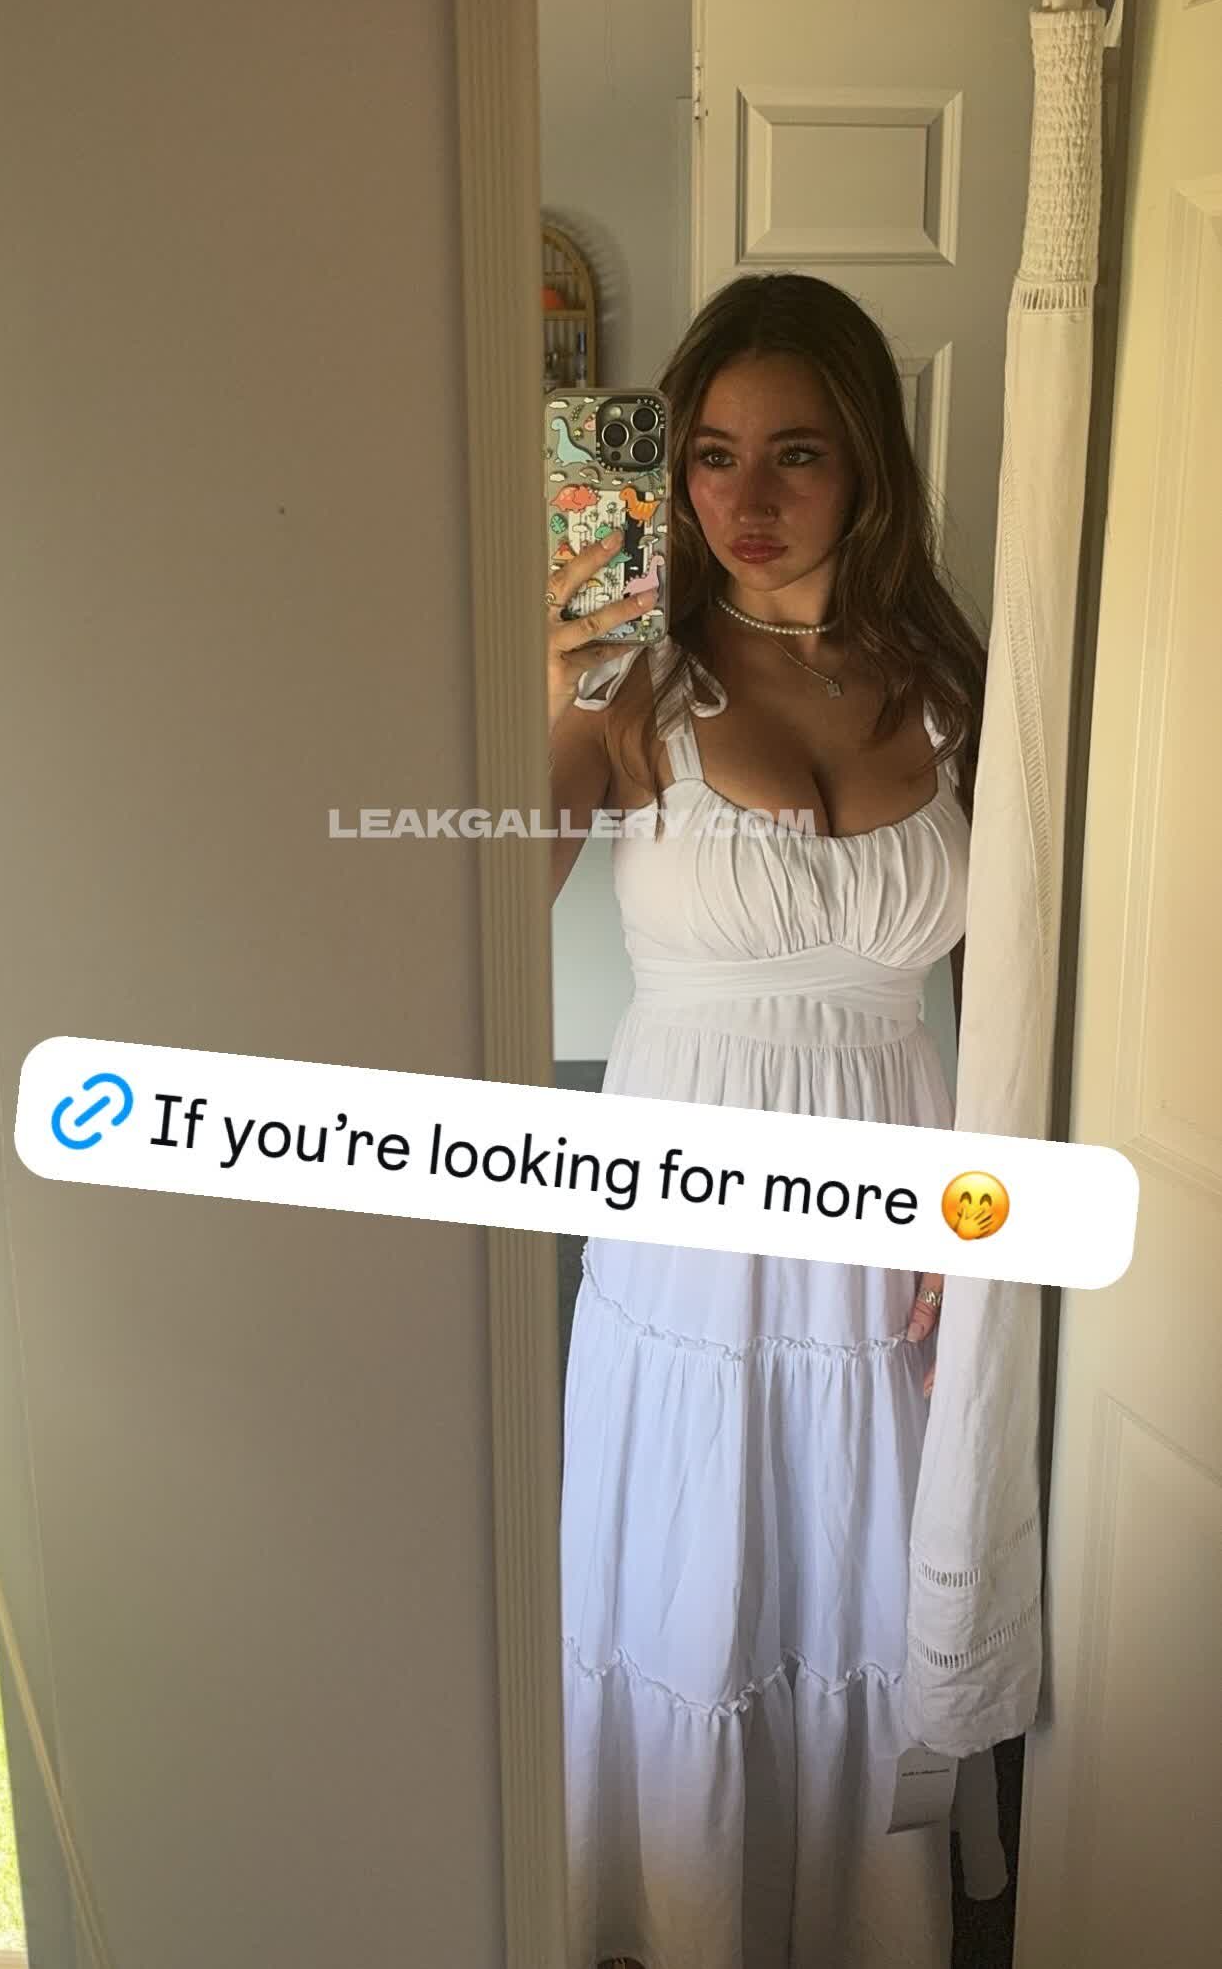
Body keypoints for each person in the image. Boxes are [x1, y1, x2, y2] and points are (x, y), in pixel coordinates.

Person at [546, 274, 987, 1969]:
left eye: (794, 451)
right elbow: (484, 906)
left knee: (863, 1550)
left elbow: (1017, 981)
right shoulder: (630, 678)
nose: (745, 496)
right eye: (713, 453)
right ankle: (672, 1913)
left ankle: (861, 1921)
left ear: (862, 462)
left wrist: (985, 1213)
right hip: (689, 1197)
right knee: (698, 1549)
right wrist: (550, 679)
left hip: (896, 1185)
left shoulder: (953, 683)